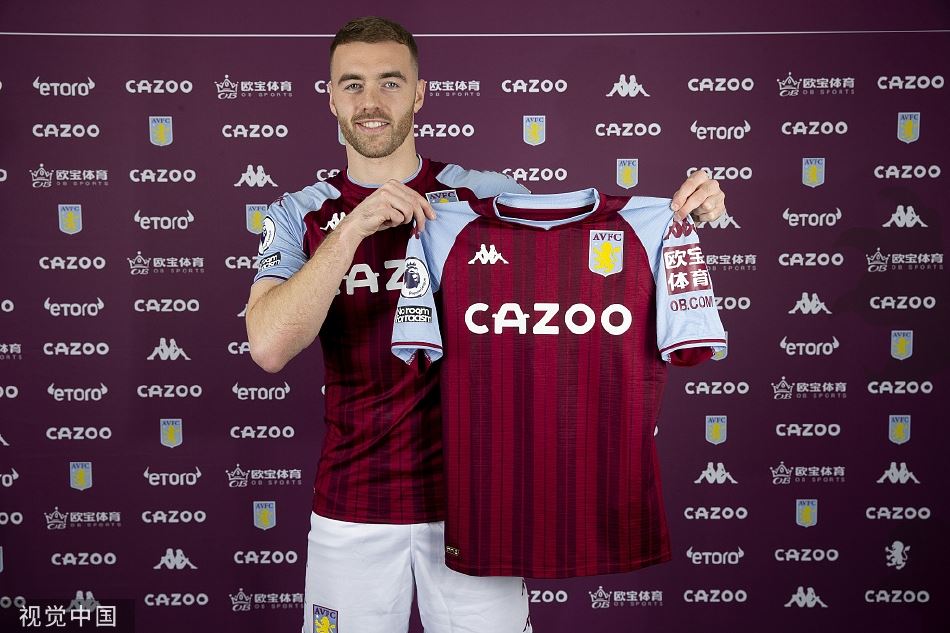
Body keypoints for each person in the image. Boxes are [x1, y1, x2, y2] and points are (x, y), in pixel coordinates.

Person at [245, 16, 727, 633]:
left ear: (419, 94)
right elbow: (269, 346)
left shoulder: (482, 197)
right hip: (354, 500)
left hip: (478, 503)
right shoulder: (299, 213)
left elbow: (583, 275)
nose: (371, 101)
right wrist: (353, 230)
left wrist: (683, 220)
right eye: (353, 84)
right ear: (332, 97)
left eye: (391, 82)